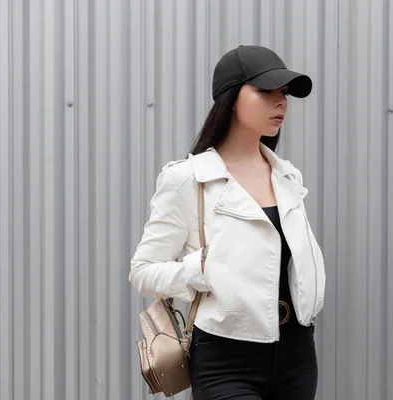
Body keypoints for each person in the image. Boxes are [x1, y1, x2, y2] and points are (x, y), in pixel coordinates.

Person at [129, 45, 326, 400]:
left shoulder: (288, 177)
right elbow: (142, 270)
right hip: (226, 357)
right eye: (266, 91)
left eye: (283, 93)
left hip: (297, 353)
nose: (281, 101)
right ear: (231, 98)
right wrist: (196, 269)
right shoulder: (188, 179)